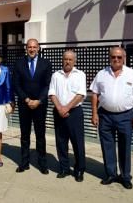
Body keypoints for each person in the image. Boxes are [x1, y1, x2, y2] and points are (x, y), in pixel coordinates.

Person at [90, 47, 133, 190]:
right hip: (105, 116)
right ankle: (111, 174)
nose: (116, 59)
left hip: (125, 117)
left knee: (125, 147)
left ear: (124, 58)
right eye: (113, 57)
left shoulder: (132, 74)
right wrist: (94, 114)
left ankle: (125, 176)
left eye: (119, 57)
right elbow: (95, 94)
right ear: (109, 58)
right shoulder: (101, 74)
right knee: (107, 146)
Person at [13, 38, 52, 174]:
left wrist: (39, 100)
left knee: (40, 135)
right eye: (29, 47)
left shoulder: (46, 63)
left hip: (40, 105)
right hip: (24, 105)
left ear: (38, 48)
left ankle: (42, 163)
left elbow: (48, 85)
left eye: (34, 47)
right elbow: (16, 84)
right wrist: (26, 99)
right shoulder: (19, 63)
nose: (32, 49)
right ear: (26, 48)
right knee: (25, 135)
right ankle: (24, 163)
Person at [48, 50, 86, 181]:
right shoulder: (56, 75)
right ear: (62, 60)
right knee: (61, 142)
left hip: (74, 112)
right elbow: (52, 93)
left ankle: (79, 170)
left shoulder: (80, 74)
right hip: (58, 112)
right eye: (65, 59)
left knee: (78, 143)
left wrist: (67, 108)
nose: (67, 61)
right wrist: (60, 108)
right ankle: (64, 168)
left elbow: (80, 94)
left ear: (74, 61)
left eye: (70, 59)